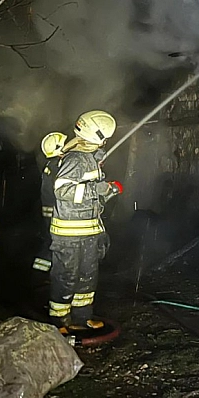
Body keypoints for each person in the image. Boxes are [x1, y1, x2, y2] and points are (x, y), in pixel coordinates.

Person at [48, 110, 123, 331]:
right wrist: (94, 189)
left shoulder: (90, 159)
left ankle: (82, 317)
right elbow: (62, 190)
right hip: (69, 233)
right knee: (66, 276)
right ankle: (59, 321)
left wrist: (106, 192)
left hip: (89, 230)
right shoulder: (74, 158)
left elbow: (90, 195)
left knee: (88, 276)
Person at [32, 132, 67, 275]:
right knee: (54, 241)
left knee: (50, 238)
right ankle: (46, 272)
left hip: (49, 209)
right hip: (55, 210)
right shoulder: (58, 166)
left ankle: (40, 270)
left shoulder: (50, 165)